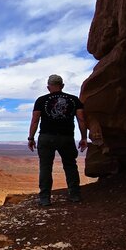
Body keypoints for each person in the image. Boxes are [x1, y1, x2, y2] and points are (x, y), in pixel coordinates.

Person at [27, 74, 88, 206]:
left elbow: (35, 120)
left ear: (48, 87)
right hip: (66, 137)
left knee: (45, 167)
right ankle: (75, 195)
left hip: (46, 137)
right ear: (62, 86)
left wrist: (31, 138)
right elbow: (81, 120)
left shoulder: (41, 100)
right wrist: (84, 137)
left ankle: (45, 198)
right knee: (70, 165)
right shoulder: (73, 100)